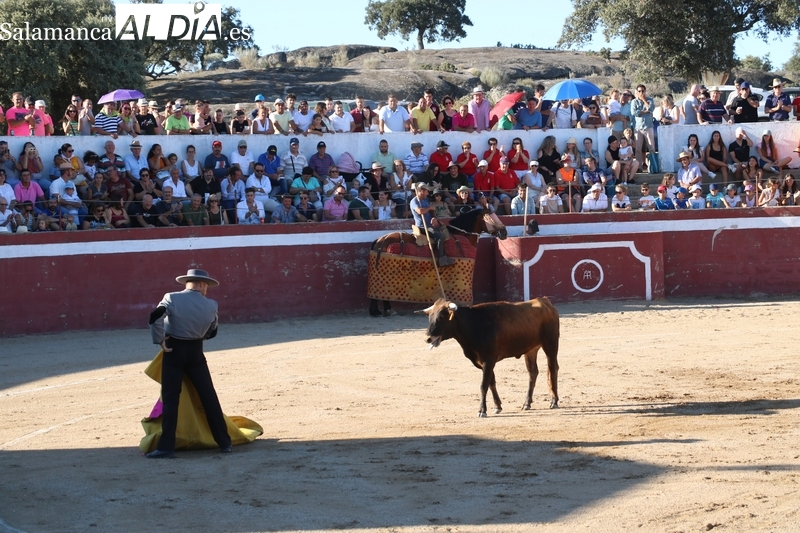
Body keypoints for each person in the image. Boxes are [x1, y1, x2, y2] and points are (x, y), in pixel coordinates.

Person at [146, 269, 232, 459]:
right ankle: (225, 443)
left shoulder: (171, 298)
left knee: (171, 399)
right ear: (201, 284)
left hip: (173, 351)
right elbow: (212, 332)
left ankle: (166, 447)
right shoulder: (211, 305)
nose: (207, 290)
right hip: (196, 353)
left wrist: (159, 340)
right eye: (207, 287)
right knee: (208, 396)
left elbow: (154, 317)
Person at [409, 183, 453, 266]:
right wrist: (429, 208)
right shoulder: (414, 201)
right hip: (422, 226)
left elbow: (432, 210)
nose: (428, 193)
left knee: (445, 230)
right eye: (426, 191)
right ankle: (441, 259)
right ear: (422, 191)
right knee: (439, 236)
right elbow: (420, 211)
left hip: (430, 224)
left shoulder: (425, 200)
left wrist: (433, 217)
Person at [630, 84, 655, 170]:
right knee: (638, 149)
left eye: (643, 91)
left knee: (651, 147)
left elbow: (651, 109)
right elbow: (634, 113)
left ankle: (653, 166)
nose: (641, 92)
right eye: (639, 91)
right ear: (636, 92)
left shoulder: (650, 100)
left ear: (645, 91)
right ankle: (638, 167)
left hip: (648, 126)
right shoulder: (634, 102)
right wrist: (645, 111)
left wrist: (644, 100)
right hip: (638, 128)